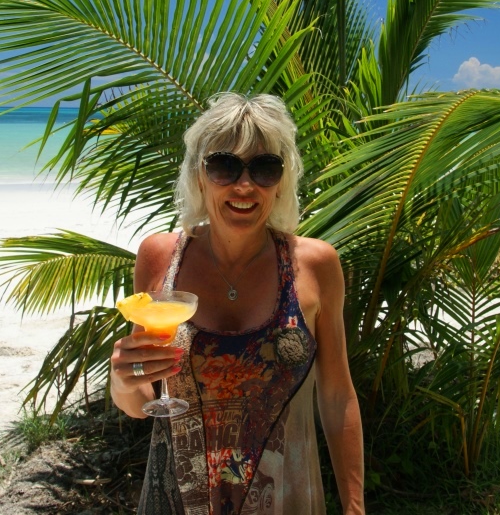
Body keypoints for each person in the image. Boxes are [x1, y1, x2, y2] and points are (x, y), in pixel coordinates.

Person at [110, 93, 365, 514]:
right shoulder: (160, 257)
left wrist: (354, 508)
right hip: (177, 500)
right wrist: (123, 378)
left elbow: (338, 396)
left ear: (282, 180)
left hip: (286, 498)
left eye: (264, 168)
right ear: (198, 175)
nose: (244, 186)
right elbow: (142, 401)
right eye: (224, 166)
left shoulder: (316, 264)